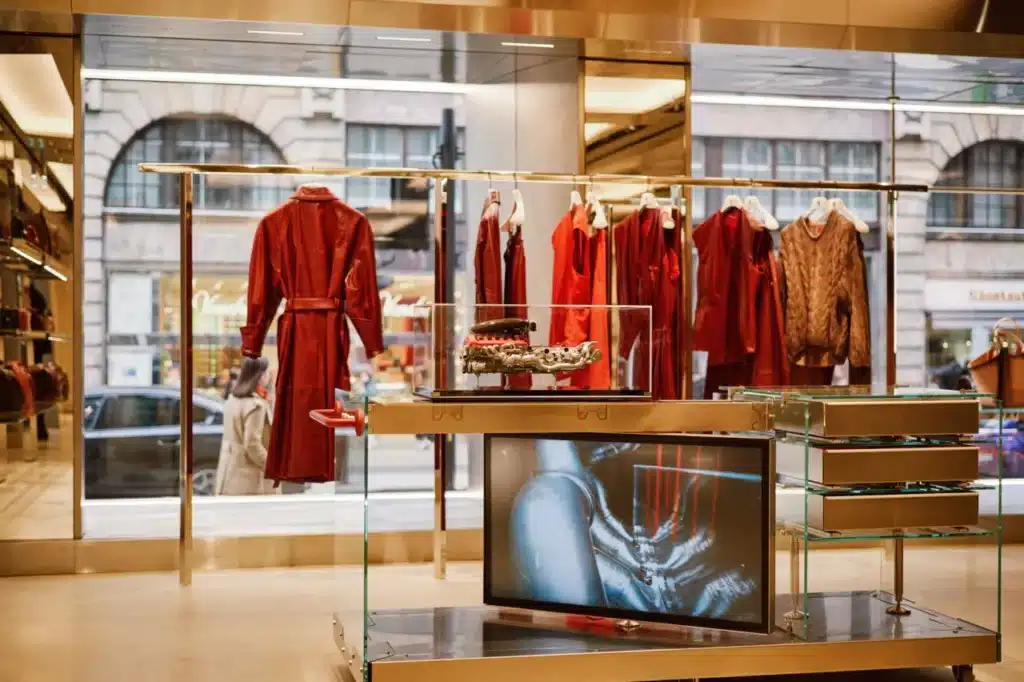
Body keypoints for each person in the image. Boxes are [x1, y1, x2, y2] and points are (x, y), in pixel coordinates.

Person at [215, 357, 276, 495]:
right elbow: (252, 444)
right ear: (260, 376)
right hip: (250, 479)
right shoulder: (256, 406)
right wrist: (272, 467)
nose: (268, 377)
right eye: (266, 373)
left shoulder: (233, 400)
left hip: (229, 473)